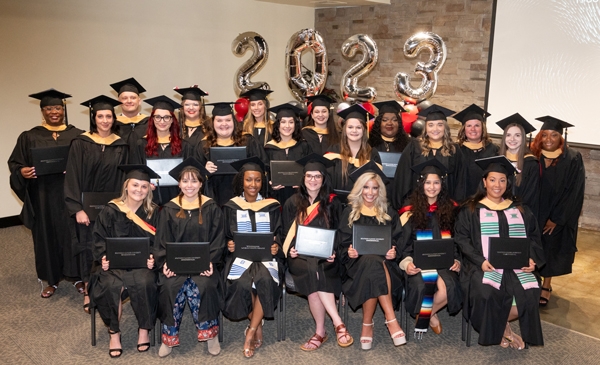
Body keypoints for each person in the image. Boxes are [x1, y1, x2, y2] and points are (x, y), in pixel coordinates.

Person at [454, 156, 545, 349]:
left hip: (516, 267)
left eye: (502, 180)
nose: (497, 185)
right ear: (484, 182)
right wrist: (480, 261)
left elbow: (535, 238)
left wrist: (532, 260)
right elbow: (462, 239)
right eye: (493, 180)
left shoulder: (519, 209)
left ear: (507, 183)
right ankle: (505, 330)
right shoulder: (471, 210)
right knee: (487, 293)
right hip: (483, 266)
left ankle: (500, 327)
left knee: (530, 292)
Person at [8, 89, 84, 298]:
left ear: (63, 109)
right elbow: (15, 163)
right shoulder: (29, 136)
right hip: (43, 197)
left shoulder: (77, 134)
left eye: (57, 107)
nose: (54, 111)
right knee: (46, 236)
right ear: (42, 111)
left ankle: (78, 277)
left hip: (70, 196)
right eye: (49, 108)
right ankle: (51, 280)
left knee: (74, 235)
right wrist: (22, 171)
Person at [281, 154, 353, 350]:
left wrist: (335, 252)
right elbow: (285, 233)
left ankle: (320, 332)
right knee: (312, 269)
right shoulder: (292, 203)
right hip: (300, 257)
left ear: (323, 179)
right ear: (303, 178)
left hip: (326, 256)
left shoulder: (333, 203)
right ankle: (338, 323)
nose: (313, 180)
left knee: (316, 273)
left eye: (317, 176)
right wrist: (291, 251)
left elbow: (340, 233)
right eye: (309, 176)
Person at [64, 95, 128, 313]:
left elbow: (124, 178)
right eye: (100, 116)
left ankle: (111, 289)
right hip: (86, 209)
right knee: (89, 248)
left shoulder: (121, 144)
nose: (105, 120)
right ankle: (89, 291)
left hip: (112, 209)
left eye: (108, 116)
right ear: (94, 118)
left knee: (110, 247)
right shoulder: (81, 143)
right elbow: (72, 176)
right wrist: (76, 209)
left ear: (113, 118)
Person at [155, 158, 225, 357]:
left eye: (194, 181)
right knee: (169, 287)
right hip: (175, 266)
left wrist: (211, 262)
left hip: (203, 266)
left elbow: (218, 239)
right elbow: (161, 241)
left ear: (201, 183)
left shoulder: (211, 208)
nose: (189, 186)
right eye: (185, 181)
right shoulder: (169, 208)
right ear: (179, 184)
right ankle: (168, 338)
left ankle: (210, 335)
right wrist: (165, 263)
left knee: (205, 286)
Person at [88, 165, 159, 358]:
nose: (139, 190)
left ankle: (144, 329)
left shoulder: (153, 213)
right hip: (114, 266)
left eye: (144, 186)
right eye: (135, 185)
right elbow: (99, 239)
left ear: (149, 189)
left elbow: (160, 242)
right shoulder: (110, 210)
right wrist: (103, 258)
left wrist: (153, 257)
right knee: (111, 285)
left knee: (145, 282)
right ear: (126, 186)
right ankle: (114, 332)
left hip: (142, 265)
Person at [222, 157, 283, 358]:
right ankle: (257, 324)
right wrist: (228, 244)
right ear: (241, 181)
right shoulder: (231, 206)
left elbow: (280, 234)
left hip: (266, 258)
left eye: (257, 180)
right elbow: (224, 235)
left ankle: (250, 330)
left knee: (265, 279)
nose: (253, 185)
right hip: (240, 259)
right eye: (249, 180)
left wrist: (276, 246)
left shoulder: (271, 206)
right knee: (241, 283)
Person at [338, 170, 405, 350]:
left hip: (386, 264)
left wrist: (394, 251)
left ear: (380, 190)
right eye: (366, 187)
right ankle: (391, 321)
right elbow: (341, 243)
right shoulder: (350, 212)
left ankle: (367, 324)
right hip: (355, 266)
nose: (370, 192)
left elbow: (398, 239)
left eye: (374, 188)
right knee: (372, 264)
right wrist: (349, 251)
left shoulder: (389, 212)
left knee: (375, 264)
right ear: (359, 189)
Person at [397, 159, 462, 338]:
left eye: (436, 182)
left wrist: (457, 260)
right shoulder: (409, 211)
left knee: (449, 286)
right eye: (428, 182)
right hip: (418, 263)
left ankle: (425, 314)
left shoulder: (452, 210)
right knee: (421, 285)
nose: (432, 187)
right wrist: (406, 263)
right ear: (421, 184)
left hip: (445, 262)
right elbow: (404, 244)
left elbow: (458, 241)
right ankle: (430, 315)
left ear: (442, 184)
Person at [531, 116, 585, 306]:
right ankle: (532, 281)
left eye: (554, 135)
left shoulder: (572, 158)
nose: (549, 139)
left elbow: (575, 190)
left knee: (551, 248)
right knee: (533, 247)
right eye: (545, 134)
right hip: (534, 212)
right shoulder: (533, 155)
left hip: (556, 214)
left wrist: (557, 218)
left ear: (561, 137)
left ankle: (546, 285)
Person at [392, 104, 465, 209]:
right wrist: (403, 205)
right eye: (430, 125)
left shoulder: (454, 150)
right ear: (425, 127)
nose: (435, 129)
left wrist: (457, 207)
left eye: (439, 124)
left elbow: (460, 182)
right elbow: (403, 177)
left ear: (445, 127)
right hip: (417, 207)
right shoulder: (414, 147)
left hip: (445, 208)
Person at [197, 102, 267, 206]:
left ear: (234, 122)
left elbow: (263, 167)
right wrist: (204, 170)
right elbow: (194, 176)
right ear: (213, 123)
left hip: (245, 200)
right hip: (215, 200)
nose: (224, 124)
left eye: (228, 120)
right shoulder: (203, 146)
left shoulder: (248, 141)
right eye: (219, 120)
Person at [130, 96, 192, 205]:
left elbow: (188, 173)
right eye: (157, 117)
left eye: (166, 117)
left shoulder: (184, 145)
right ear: (152, 119)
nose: (162, 121)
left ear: (172, 119)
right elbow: (137, 173)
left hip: (177, 200)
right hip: (149, 200)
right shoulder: (142, 144)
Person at [325, 104, 381, 191]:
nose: (354, 131)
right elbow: (326, 180)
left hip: (362, 203)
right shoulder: (333, 151)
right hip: (336, 202)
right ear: (345, 129)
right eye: (350, 127)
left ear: (364, 130)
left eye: (358, 127)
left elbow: (377, 183)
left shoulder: (372, 153)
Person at [496, 113, 540, 218]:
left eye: (517, 135)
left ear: (523, 138)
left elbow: (531, 194)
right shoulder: (497, 159)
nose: (512, 139)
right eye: (508, 135)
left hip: (519, 215)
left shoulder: (531, 164)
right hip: (497, 211)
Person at [265, 103, 310, 205]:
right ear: (278, 124)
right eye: (283, 122)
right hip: (276, 197)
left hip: (300, 197)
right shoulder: (269, 148)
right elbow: (265, 172)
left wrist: (303, 183)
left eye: (291, 122)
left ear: (295, 124)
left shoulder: (303, 146)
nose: (287, 126)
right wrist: (270, 184)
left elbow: (309, 169)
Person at [454, 104, 499, 199]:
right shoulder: (456, 149)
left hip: (486, 201)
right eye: (469, 125)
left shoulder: (493, 150)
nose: (473, 129)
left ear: (482, 128)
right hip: (461, 201)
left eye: (477, 125)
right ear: (464, 129)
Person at [110, 77, 149, 150]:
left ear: (139, 101)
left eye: (133, 98)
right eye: (125, 98)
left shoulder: (150, 123)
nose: (129, 101)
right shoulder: (112, 124)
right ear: (119, 102)